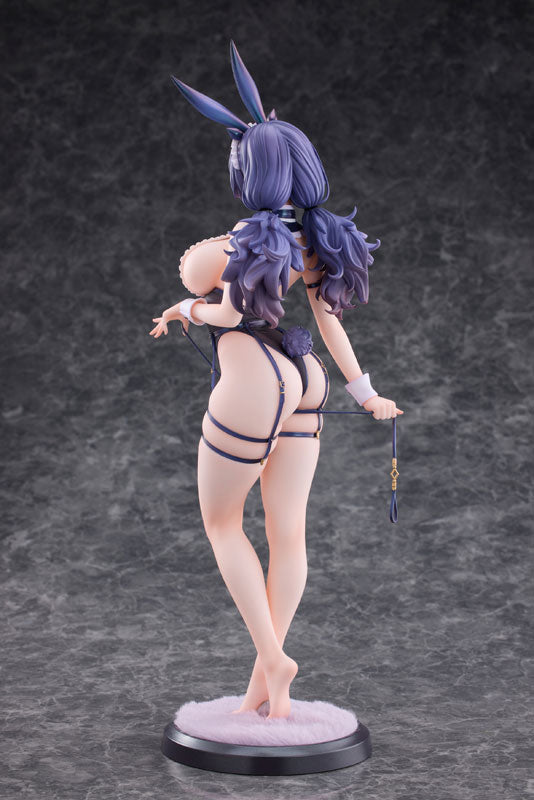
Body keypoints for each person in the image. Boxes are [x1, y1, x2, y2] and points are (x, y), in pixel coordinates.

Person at [149, 42, 403, 719]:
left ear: (250, 170)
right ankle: (268, 690)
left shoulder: (250, 235)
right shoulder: (319, 236)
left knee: (222, 523)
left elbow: (231, 313)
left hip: (252, 375)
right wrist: (366, 393)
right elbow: (329, 323)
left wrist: (184, 310)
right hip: (306, 376)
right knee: (288, 534)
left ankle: (273, 655)